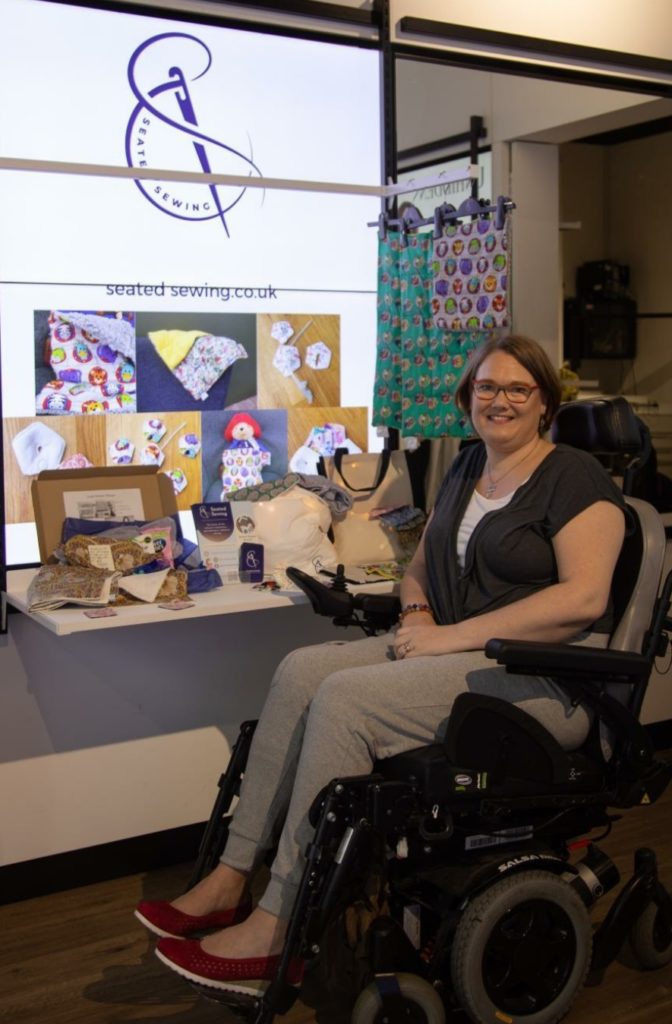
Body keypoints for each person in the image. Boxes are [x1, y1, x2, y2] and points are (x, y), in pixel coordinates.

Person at [136, 334, 626, 995]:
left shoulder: (574, 476)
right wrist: (420, 613)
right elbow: (421, 562)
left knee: (346, 699)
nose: (499, 401)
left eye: (517, 389)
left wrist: (454, 639)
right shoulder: (467, 469)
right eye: (486, 388)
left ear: (545, 402)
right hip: (460, 651)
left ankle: (280, 923)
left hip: (542, 680)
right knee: (302, 670)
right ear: (467, 398)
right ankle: (230, 876)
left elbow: (583, 599)